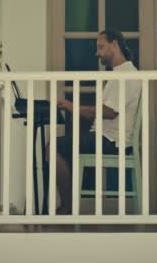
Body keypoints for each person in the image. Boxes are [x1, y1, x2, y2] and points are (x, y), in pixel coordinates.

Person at [54, 28, 141, 214]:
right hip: (107, 137)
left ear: (115, 45)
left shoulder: (124, 74)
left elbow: (109, 112)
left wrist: (72, 107)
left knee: (54, 146)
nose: (97, 52)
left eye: (101, 47)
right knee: (64, 145)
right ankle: (70, 205)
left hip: (111, 140)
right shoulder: (121, 73)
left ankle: (68, 207)